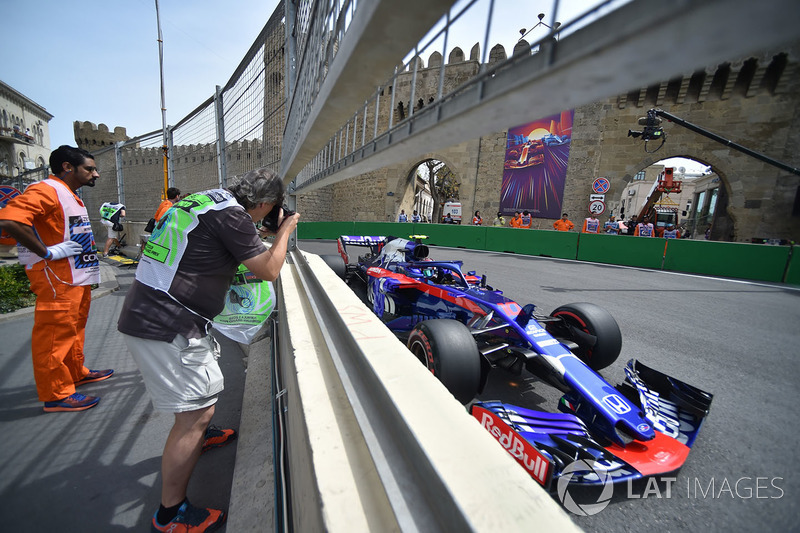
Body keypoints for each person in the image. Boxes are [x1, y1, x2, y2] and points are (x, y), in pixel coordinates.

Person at [118, 167, 299, 532]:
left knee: (199, 400)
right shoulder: (233, 217)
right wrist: (284, 230)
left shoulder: (209, 200)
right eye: (271, 207)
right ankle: (171, 513)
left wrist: (256, 229)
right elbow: (268, 270)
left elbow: (209, 254)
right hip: (167, 324)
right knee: (194, 413)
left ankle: (201, 430)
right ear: (264, 203)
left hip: (154, 312)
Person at [0, 145, 113, 413]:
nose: (95, 174)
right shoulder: (46, 190)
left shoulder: (68, 194)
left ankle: (75, 372)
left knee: (73, 329)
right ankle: (56, 394)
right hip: (57, 278)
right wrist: (47, 252)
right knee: (54, 335)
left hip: (75, 278)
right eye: (90, 169)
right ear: (67, 167)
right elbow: (9, 220)